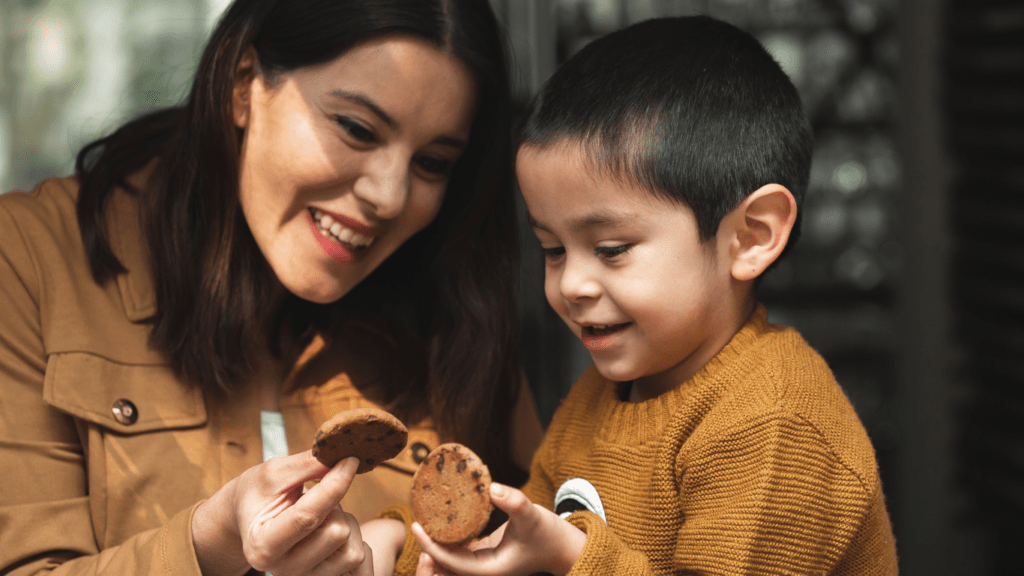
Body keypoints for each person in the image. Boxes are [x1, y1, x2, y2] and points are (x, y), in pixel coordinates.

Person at [0, 1, 543, 575]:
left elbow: (557, 529)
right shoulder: (30, 260)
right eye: (357, 129)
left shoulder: (453, 310)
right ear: (243, 85)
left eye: (432, 162)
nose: (389, 195)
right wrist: (208, 545)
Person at [402, 15, 899, 575]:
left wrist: (574, 561)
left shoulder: (775, 423)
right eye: (553, 249)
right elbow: (519, 540)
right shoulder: (601, 397)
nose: (571, 285)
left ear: (751, 236)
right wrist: (405, 551)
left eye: (611, 249)